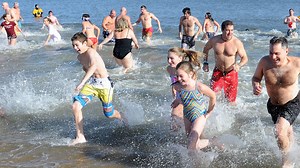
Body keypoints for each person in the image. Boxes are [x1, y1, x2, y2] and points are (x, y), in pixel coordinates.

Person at [70, 32, 126, 145]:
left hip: (105, 84)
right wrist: (84, 81)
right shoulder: (79, 57)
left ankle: (123, 118)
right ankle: (80, 136)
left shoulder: (91, 52)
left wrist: (81, 83)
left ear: (84, 43)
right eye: (73, 46)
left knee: (109, 114)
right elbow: (87, 69)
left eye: (77, 45)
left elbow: (93, 66)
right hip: (92, 84)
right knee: (76, 106)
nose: (75, 48)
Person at [252, 36, 300, 167]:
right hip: (273, 104)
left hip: (293, 102)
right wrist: (255, 85)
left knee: (279, 131)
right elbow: (256, 77)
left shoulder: (297, 63)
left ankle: (286, 162)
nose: (273, 57)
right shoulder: (264, 62)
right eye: (271, 53)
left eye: (277, 53)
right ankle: (295, 151)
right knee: (286, 131)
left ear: (286, 51)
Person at [172, 61, 216, 150]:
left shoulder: (199, 87)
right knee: (191, 140)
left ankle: (211, 143)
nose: (179, 79)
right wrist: (177, 100)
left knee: (191, 143)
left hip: (200, 115)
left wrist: (209, 112)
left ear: (190, 74)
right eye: (177, 76)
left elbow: (213, 96)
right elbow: (182, 97)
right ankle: (209, 143)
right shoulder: (178, 87)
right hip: (187, 116)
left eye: (181, 76)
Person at [202, 20, 248, 104]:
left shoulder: (237, 42)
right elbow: (205, 49)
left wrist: (239, 65)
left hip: (231, 73)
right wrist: (205, 63)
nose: (230, 33)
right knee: (212, 96)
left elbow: (245, 58)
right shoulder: (214, 40)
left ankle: (230, 116)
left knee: (231, 102)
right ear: (222, 30)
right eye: (227, 30)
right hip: (218, 72)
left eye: (232, 30)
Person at [167, 47, 203, 131]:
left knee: (175, 121)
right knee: (178, 125)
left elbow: (192, 88)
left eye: (171, 58)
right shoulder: (169, 69)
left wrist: (179, 100)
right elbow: (174, 83)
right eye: (167, 58)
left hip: (189, 99)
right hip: (180, 98)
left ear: (180, 58)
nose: (169, 61)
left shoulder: (188, 71)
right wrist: (174, 90)